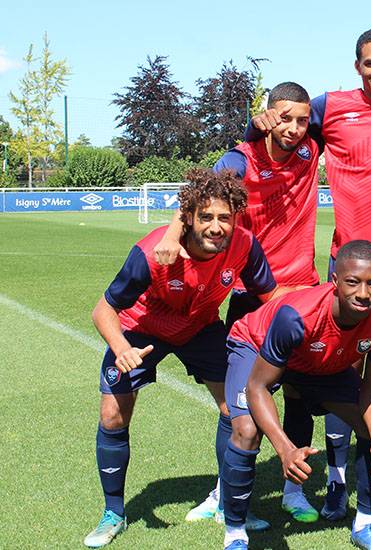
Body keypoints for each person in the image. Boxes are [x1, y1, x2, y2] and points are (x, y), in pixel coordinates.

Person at [245, 27, 371, 521]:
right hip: (353, 268)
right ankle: (337, 482)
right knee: (347, 377)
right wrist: (256, 124)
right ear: (357, 66)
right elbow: (278, 134)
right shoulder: (330, 106)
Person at [84, 169, 280, 548]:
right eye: (206, 217)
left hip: (199, 329)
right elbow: (102, 309)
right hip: (141, 330)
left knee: (234, 411)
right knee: (112, 414)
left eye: (224, 217)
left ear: (236, 217)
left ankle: (226, 500)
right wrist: (122, 348)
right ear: (187, 217)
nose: (216, 226)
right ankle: (113, 513)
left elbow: (271, 297)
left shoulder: (245, 245)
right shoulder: (150, 252)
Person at [157, 82, 324, 525]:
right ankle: (223, 493)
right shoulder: (239, 159)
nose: (293, 127)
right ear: (267, 115)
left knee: (298, 396)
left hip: (302, 293)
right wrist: (173, 235)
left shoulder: (312, 146)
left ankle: (294, 490)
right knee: (239, 405)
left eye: (302, 119)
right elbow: (203, 196)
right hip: (253, 299)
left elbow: (360, 108)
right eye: (283, 117)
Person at [225, 240, 371, 550]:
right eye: (352, 282)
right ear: (334, 281)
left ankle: (365, 525)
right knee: (247, 430)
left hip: (317, 361)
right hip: (255, 344)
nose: (363, 293)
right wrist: (285, 450)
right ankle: (235, 532)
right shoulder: (297, 316)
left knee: (369, 430)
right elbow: (258, 387)